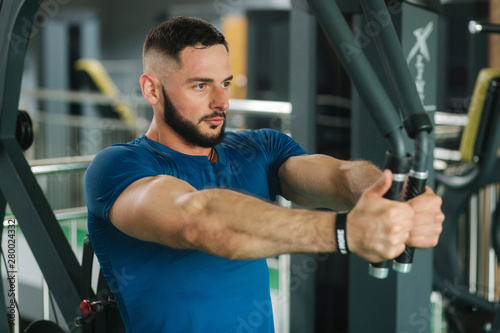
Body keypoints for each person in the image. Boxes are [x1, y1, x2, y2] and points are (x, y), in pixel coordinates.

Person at [84, 16, 444, 333]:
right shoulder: (118, 167)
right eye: (200, 85)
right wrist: (345, 233)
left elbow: (340, 177)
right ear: (152, 89)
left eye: (225, 83)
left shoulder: (260, 147)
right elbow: (198, 220)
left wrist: (389, 196)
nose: (221, 102)